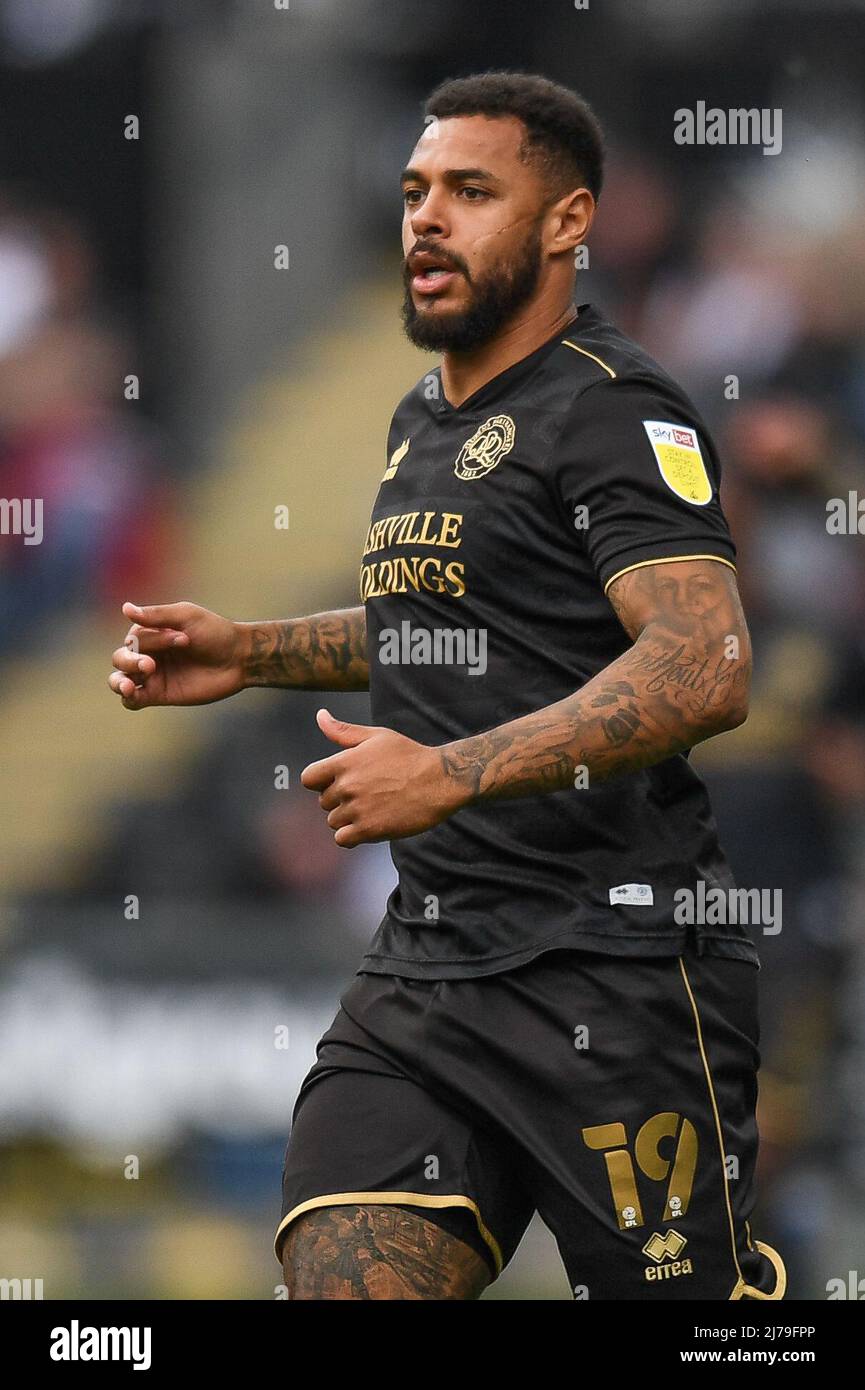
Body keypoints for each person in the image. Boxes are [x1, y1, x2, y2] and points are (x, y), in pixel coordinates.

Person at [109, 72, 785, 1301]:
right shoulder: (422, 414)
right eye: (416, 191)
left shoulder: (614, 405)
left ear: (569, 221)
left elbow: (706, 663)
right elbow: (456, 622)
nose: (425, 217)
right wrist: (248, 650)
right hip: (425, 975)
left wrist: (448, 771)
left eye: (471, 192)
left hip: (617, 971)